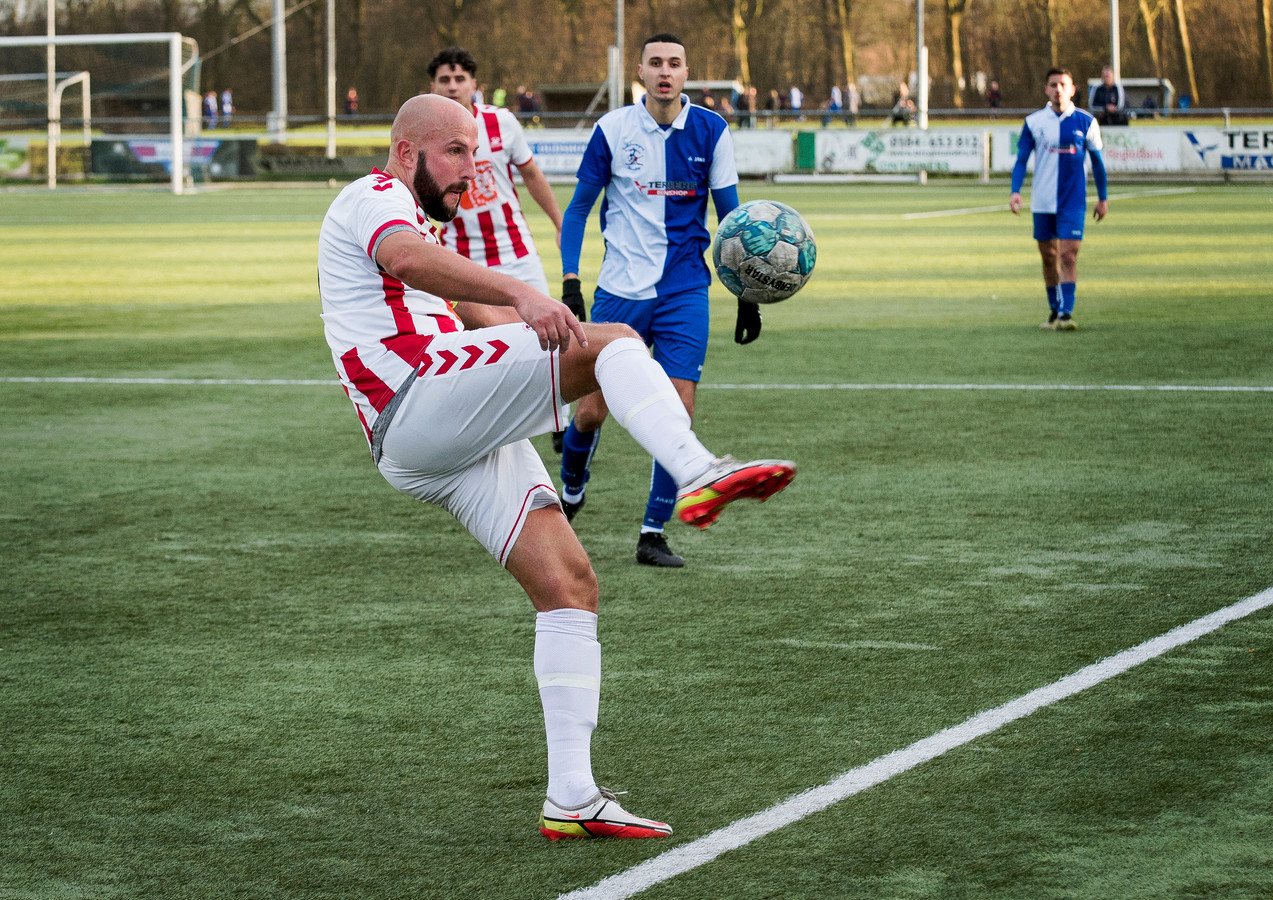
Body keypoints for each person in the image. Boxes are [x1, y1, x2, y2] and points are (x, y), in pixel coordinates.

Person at [317, 93, 795, 841]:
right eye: (455, 152)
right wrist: (527, 294)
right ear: (406, 151)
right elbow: (405, 258)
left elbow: (497, 329)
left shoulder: (430, 235)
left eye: (477, 153)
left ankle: (571, 796)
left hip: (441, 435)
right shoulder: (369, 198)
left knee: (569, 584)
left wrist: (535, 328)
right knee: (612, 344)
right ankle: (697, 470)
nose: (473, 168)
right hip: (415, 400)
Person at [556, 33, 765, 569]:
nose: (665, 71)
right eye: (656, 63)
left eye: (675, 63)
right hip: (620, 291)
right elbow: (579, 209)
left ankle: (653, 532)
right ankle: (572, 490)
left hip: (685, 289)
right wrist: (572, 279)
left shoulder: (712, 130)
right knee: (592, 410)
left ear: (686, 71)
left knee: (679, 410)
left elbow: (733, 222)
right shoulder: (612, 129)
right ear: (641, 72)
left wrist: (746, 295)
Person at [427, 47, 562, 299]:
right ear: (433, 87)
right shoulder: (424, 133)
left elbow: (531, 174)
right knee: (471, 338)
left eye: (460, 79)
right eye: (445, 80)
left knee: (546, 331)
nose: (453, 87)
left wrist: (560, 224)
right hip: (460, 260)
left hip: (516, 252)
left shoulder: (502, 121)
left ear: (473, 84)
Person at [1010, 67, 1109, 330]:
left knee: (1068, 256)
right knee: (1048, 257)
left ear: (1073, 89)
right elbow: (1021, 160)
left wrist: (1103, 198)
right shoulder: (1033, 122)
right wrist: (1015, 191)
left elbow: (1097, 163)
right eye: (1053, 85)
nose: (1058, 90)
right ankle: (1054, 310)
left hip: (1073, 202)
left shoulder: (1086, 122)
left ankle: (1066, 313)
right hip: (1042, 201)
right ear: (1046, 89)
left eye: (1063, 84)